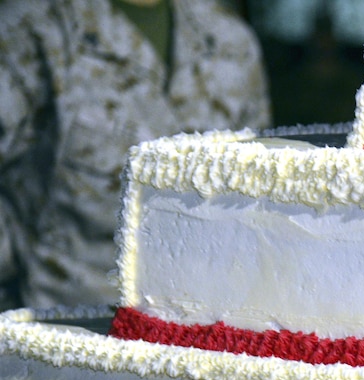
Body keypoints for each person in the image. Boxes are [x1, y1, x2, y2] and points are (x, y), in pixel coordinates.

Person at [0, 0, 271, 310]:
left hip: (204, 332)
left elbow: (255, 204)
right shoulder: (30, 29)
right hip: (65, 330)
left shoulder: (231, 41)